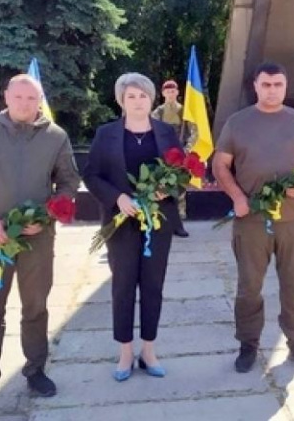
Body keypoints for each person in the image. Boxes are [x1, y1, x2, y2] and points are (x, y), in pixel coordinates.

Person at [0, 74, 81, 406]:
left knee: (36, 307)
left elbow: (68, 183)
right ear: (6, 97)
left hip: (37, 241)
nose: (25, 104)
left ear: (39, 100)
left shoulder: (56, 137)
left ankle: (35, 370)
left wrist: (49, 216)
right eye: (19, 97)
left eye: (31, 98)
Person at [212, 62, 294, 373]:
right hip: (251, 220)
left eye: (278, 84)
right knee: (249, 287)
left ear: (285, 87)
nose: (272, 90)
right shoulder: (238, 123)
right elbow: (220, 164)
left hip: (293, 220)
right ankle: (248, 345)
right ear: (256, 86)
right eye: (266, 85)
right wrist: (237, 197)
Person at [83, 73, 185, 382]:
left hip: (159, 222)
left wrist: (168, 189)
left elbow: (181, 172)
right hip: (122, 221)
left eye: (143, 96)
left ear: (151, 98)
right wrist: (118, 197)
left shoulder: (167, 132)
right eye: (131, 96)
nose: (138, 101)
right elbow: (92, 175)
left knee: (153, 285)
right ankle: (125, 352)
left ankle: (149, 350)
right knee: (123, 285)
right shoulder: (106, 134)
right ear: (121, 101)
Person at [151, 79, 195, 235]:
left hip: (180, 155)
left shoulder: (185, 112)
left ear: (177, 92)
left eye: (173, 91)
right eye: (167, 91)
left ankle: (179, 222)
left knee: (179, 188)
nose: (170, 94)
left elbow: (194, 132)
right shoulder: (158, 113)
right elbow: (151, 131)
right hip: (163, 156)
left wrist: (187, 149)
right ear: (163, 93)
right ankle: (161, 221)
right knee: (161, 187)